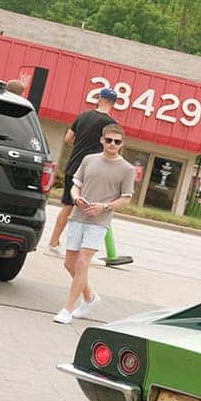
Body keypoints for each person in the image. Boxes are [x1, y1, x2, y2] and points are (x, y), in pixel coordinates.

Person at [54, 124, 135, 324]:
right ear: (102, 140)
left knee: (82, 262)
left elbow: (126, 198)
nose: (112, 144)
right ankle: (90, 297)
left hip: (99, 221)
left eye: (117, 141)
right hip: (78, 216)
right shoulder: (89, 160)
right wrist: (76, 198)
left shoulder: (127, 169)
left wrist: (104, 207)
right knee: (69, 263)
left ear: (122, 144)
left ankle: (67, 310)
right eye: (109, 140)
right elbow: (75, 186)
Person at [45, 87, 119, 256]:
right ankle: (83, 250)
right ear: (113, 104)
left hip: (74, 166)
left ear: (99, 99)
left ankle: (53, 243)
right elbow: (112, 148)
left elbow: (68, 138)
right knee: (92, 211)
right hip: (94, 171)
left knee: (68, 206)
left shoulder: (83, 116)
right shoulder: (112, 125)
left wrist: (81, 145)